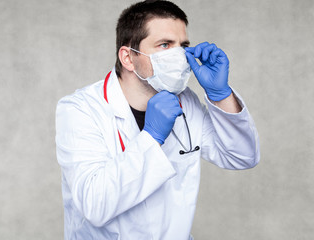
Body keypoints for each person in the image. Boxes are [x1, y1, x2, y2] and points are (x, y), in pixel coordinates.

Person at [55, 0, 260, 239]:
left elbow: (242, 156)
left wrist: (220, 94)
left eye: (183, 45)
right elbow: (95, 206)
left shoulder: (186, 102)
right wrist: (151, 138)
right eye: (165, 45)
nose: (179, 55)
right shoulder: (80, 109)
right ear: (128, 57)